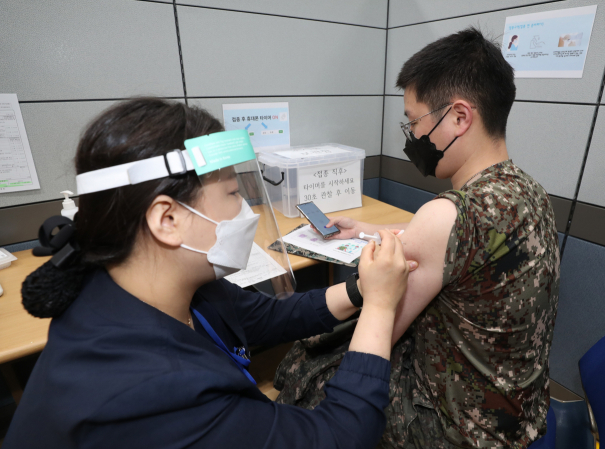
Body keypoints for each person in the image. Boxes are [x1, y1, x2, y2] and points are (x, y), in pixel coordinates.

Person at [3, 98, 419, 449]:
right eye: (234, 194)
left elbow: (267, 317)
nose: (246, 212)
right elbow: (339, 436)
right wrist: (382, 307)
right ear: (167, 219)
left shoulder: (164, 288)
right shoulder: (152, 393)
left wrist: (363, 289)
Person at [275, 27, 560, 448]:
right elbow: (470, 248)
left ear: (460, 117)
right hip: (521, 412)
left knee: (315, 364)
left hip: (462, 428)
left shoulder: (445, 216)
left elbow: (377, 335)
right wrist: (368, 230)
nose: (412, 136)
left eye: (415, 121)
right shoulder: (527, 190)